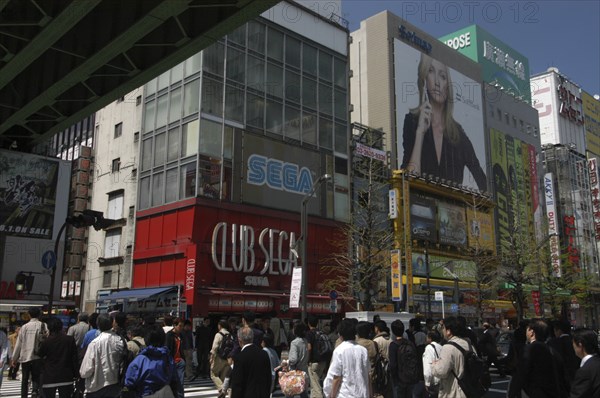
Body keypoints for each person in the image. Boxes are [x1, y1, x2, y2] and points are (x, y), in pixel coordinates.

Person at [400, 53, 486, 191]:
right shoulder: (412, 121)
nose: (437, 82)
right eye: (431, 71)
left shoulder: (458, 134)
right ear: (424, 78)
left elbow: (483, 182)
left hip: (453, 210)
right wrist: (420, 133)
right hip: (418, 208)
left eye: (443, 76)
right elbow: (407, 180)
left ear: (448, 85)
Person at [507, 319, 561, 398]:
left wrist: (512, 393)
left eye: (527, 330)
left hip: (533, 392)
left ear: (532, 332)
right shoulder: (552, 351)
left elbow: (520, 373)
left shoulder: (529, 349)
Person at [124, 326, 180, 398]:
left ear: (146, 339)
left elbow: (129, 383)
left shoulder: (139, 360)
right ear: (163, 339)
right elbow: (174, 380)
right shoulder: (168, 358)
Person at [80, 313, 127, 397]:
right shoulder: (120, 341)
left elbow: (85, 371)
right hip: (115, 385)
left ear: (98, 325)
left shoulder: (95, 343)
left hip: (95, 388)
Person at [323, 318, 371, 398]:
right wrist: (370, 394)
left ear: (340, 335)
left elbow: (336, 377)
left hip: (345, 394)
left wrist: (332, 395)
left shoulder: (339, 351)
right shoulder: (363, 350)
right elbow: (367, 374)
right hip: (362, 393)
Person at [11, 306, 48, 398]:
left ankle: (24, 395)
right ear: (39, 315)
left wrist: (14, 358)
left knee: (25, 378)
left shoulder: (24, 327)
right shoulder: (44, 325)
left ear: (29, 315)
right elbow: (47, 341)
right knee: (36, 377)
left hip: (25, 356)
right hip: (38, 357)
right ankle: (35, 391)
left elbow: (19, 344)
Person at [430, 316, 471, 398]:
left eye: (443, 328)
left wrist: (434, 365)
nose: (442, 330)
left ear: (448, 331)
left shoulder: (448, 347)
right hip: (466, 389)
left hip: (453, 391)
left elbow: (442, 371)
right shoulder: (466, 343)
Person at [38, 317, 79, 398]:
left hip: (49, 376)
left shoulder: (46, 341)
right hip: (66, 376)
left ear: (49, 328)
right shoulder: (69, 340)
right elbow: (74, 358)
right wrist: (76, 374)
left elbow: (40, 355)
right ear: (61, 326)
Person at [229, 326, 272, 398]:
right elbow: (268, 379)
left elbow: (237, 385)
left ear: (239, 340)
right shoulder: (264, 354)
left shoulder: (239, 357)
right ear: (252, 338)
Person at [548, 320, 581, 392]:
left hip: (561, 377)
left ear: (558, 330)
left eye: (555, 331)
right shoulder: (576, 340)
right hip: (577, 374)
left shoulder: (553, 343)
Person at [389, 319, 418, 398]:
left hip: (399, 379)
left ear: (393, 331)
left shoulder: (393, 345)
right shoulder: (410, 343)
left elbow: (393, 365)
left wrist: (394, 379)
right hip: (410, 377)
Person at [570, 328, 600, 398]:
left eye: (573, 342)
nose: (572, 346)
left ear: (580, 345)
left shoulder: (585, 371)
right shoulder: (597, 362)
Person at [306, 316, 328, 398]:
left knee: (316, 386)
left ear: (308, 324)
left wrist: (308, 360)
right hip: (323, 362)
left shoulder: (309, 333)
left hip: (314, 362)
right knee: (314, 384)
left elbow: (309, 348)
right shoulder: (322, 333)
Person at [287, 322, 309, 398]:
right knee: (303, 394)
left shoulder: (294, 343)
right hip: (304, 371)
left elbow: (293, 359)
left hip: (295, 372)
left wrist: (287, 361)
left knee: (290, 393)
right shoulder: (305, 341)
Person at [165, 318, 185, 398]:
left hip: (180, 362)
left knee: (180, 382)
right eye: (180, 326)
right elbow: (167, 349)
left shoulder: (180, 335)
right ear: (174, 325)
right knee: (171, 382)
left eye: (182, 326)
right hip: (171, 362)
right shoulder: (169, 335)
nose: (181, 328)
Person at [211, 319, 232, 390]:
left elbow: (215, 347)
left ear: (219, 326)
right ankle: (224, 391)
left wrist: (211, 357)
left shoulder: (218, 334)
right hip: (228, 358)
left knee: (213, 374)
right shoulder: (230, 334)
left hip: (219, 358)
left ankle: (222, 390)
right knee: (223, 377)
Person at [422, 330, 442, 398]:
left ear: (430, 338)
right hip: (441, 380)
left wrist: (427, 382)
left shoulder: (429, 348)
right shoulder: (441, 347)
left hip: (433, 382)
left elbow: (428, 367)